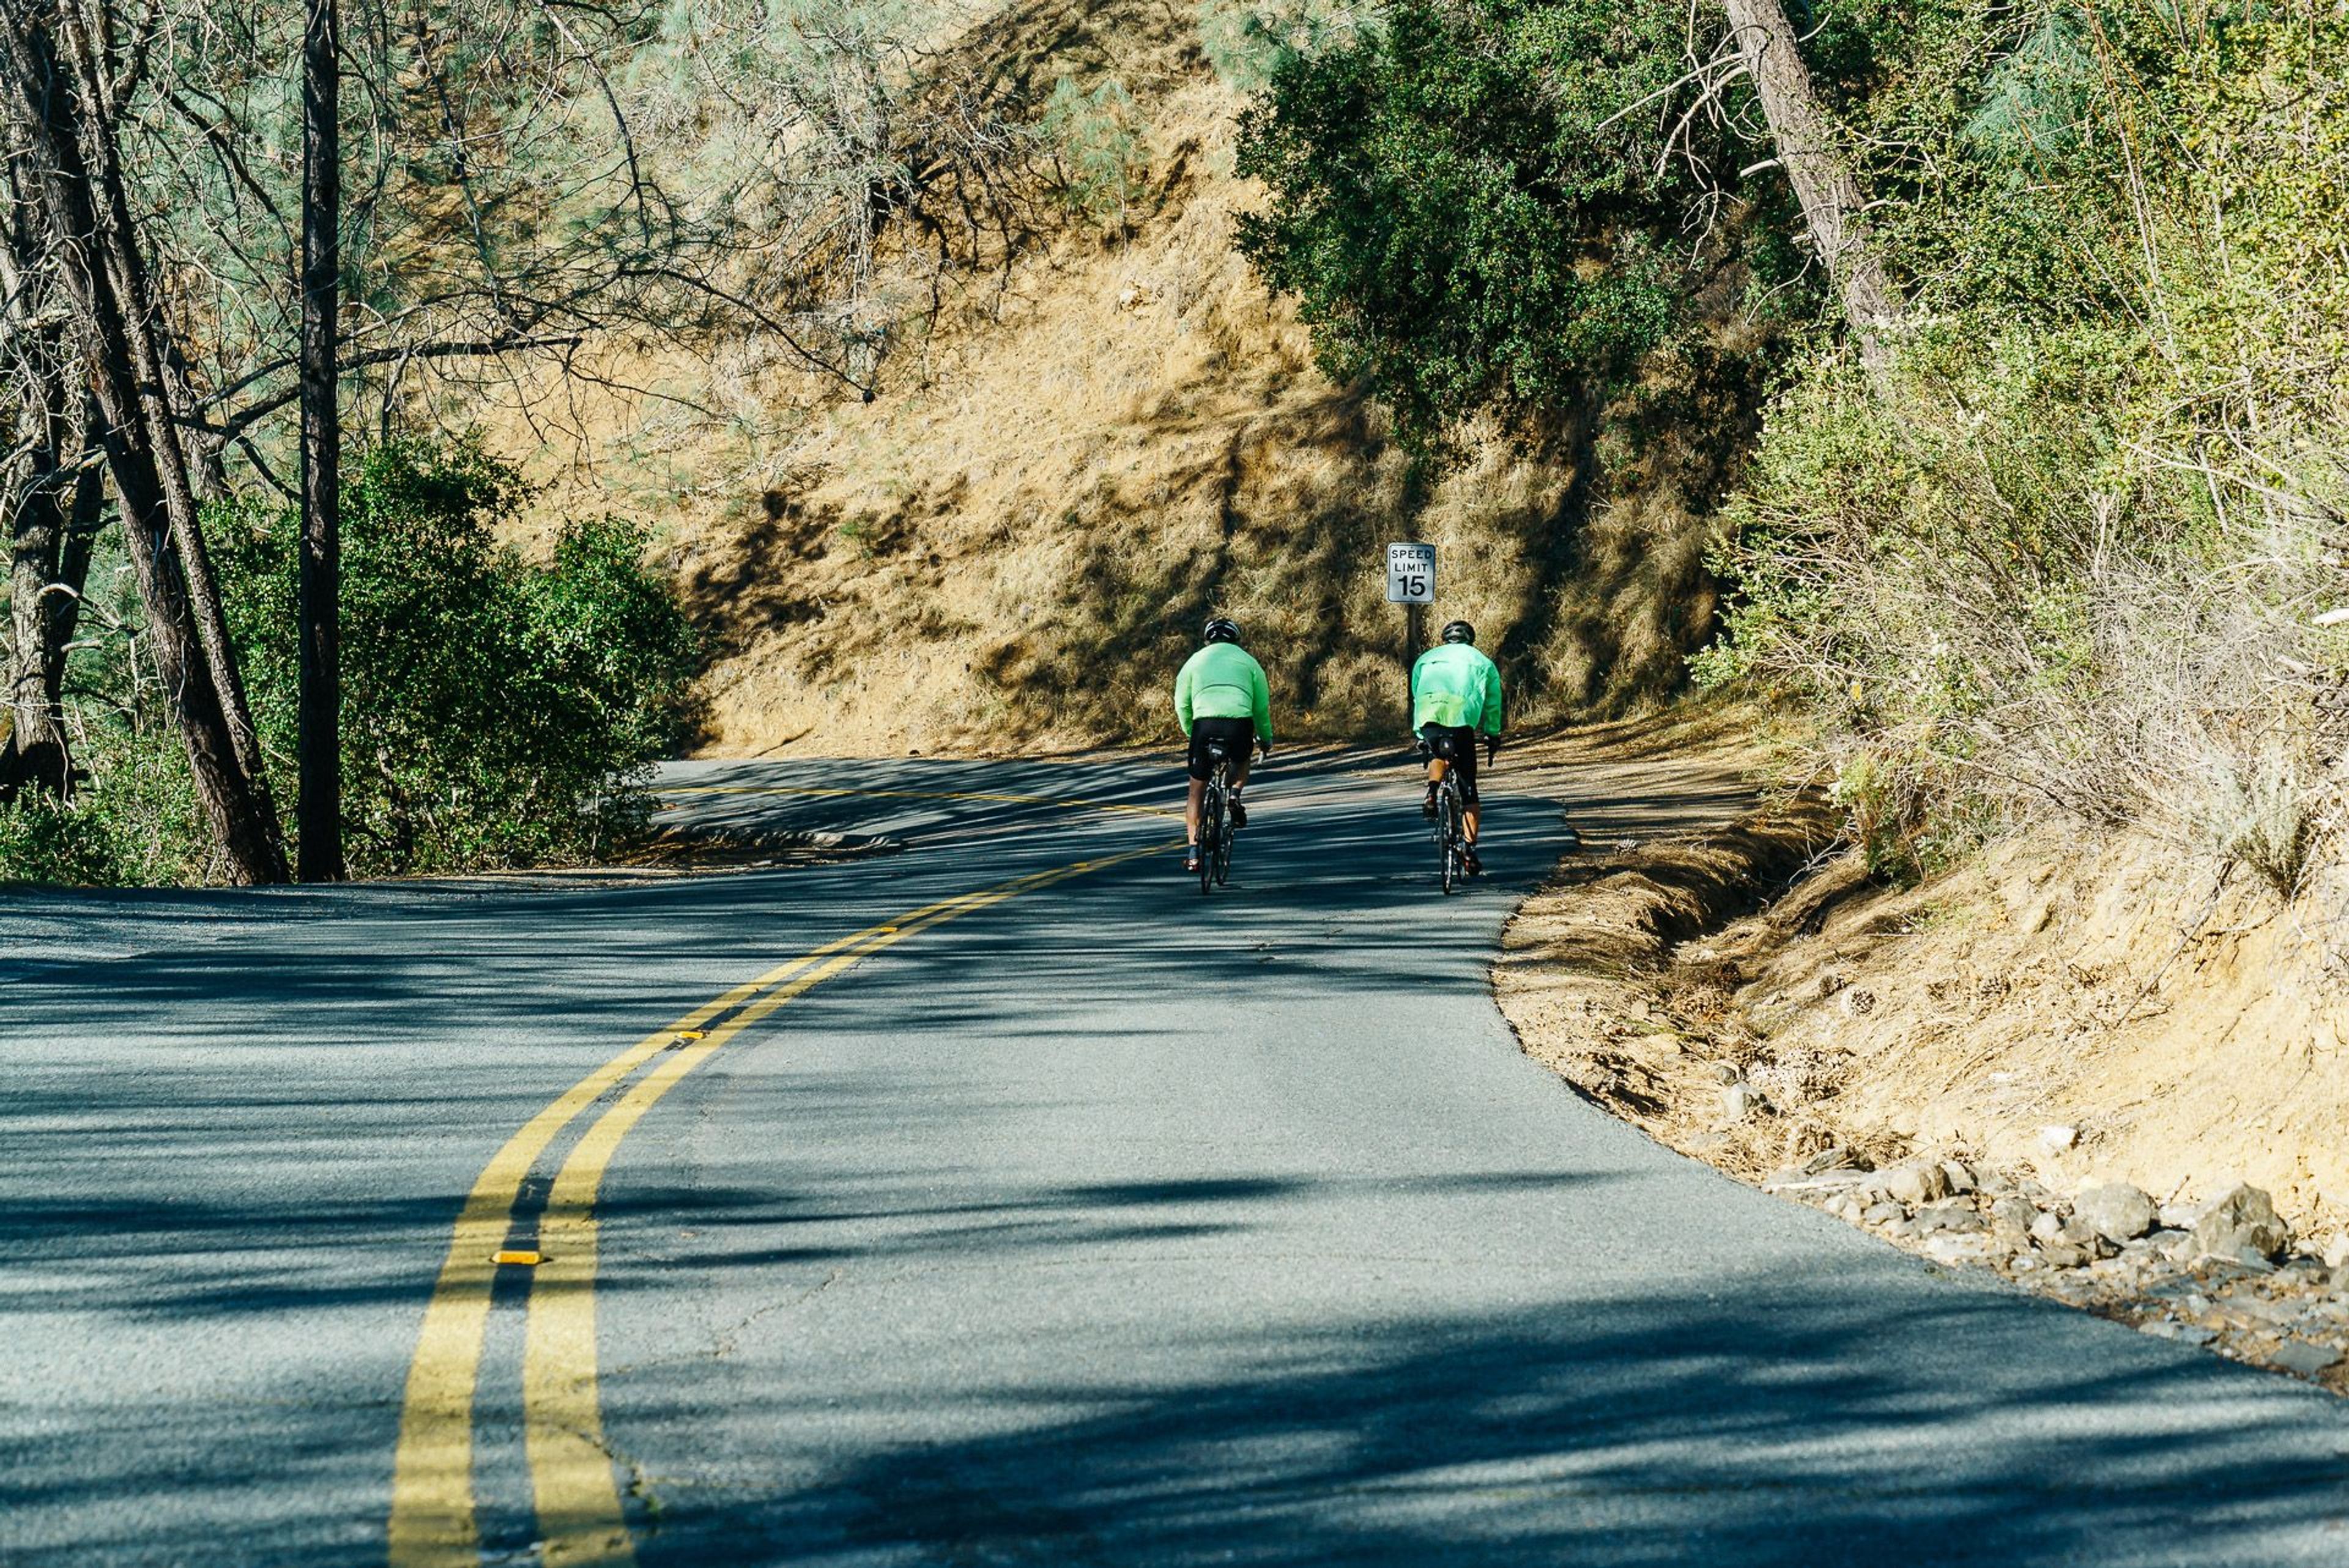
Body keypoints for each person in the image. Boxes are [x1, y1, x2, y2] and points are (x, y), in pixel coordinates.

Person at [1174, 616, 1272, 875]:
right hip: (1239, 725)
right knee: (1241, 761)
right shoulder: (1250, 662)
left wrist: (1190, 732)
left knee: (1196, 790)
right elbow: (1260, 708)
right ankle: (1234, 796)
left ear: (1207, 640)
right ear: (1237, 640)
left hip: (1204, 726)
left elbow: (1181, 703)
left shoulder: (1195, 661)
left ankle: (1194, 852)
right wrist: (1266, 738)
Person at [1411, 619, 1504, 875]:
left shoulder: (1426, 658)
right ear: (1470, 639)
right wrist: (1492, 733)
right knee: (1468, 789)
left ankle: (1431, 792)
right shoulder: (1483, 662)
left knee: (1438, 751)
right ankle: (1471, 852)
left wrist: (1419, 733)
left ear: (1445, 639)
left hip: (1428, 717)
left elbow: (1417, 694)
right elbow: (1493, 703)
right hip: (1462, 720)